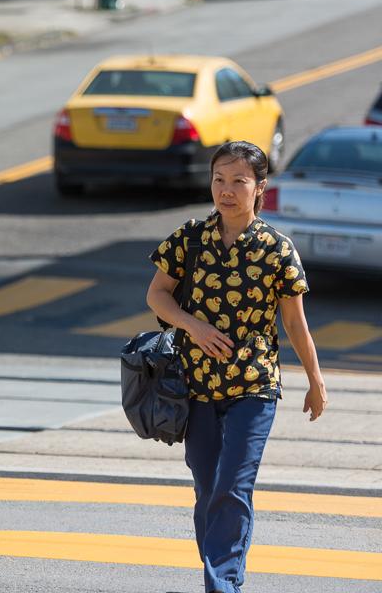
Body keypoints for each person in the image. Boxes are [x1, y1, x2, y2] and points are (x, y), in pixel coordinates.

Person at [145, 141, 328, 593]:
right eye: (219, 180)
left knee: (232, 486)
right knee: (209, 491)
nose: (226, 191)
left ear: (260, 187)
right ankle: (225, 577)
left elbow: (294, 322)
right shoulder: (189, 237)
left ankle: (222, 586)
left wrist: (315, 381)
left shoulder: (276, 249)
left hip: (254, 386)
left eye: (239, 182)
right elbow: (157, 295)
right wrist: (195, 327)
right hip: (197, 387)